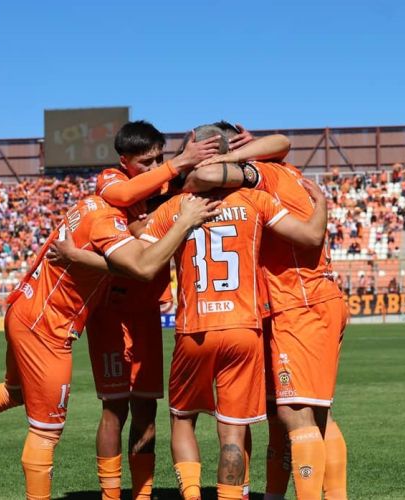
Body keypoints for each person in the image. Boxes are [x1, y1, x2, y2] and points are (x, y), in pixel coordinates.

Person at [0, 192, 219, 499]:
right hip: (47, 326)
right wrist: (181, 218)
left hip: (25, 310)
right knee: (47, 431)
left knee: (16, 391)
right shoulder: (108, 214)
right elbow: (140, 266)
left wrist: (77, 255)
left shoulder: (93, 203)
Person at [65, 120, 289, 500]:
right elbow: (282, 144)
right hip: (120, 312)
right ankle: (111, 495)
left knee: (156, 412)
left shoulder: (176, 201)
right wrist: (188, 166)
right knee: (117, 408)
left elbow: (142, 248)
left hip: (168, 318)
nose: (154, 168)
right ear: (124, 160)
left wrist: (179, 196)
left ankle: (145, 493)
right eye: (145, 162)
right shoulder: (118, 180)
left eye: (159, 159)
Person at [140, 170, 329, 500]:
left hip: (194, 330)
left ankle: (193, 495)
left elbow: (140, 258)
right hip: (244, 328)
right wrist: (322, 203)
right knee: (232, 431)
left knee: (182, 419)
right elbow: (312, 236)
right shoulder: (255, 200)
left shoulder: (176, 207)